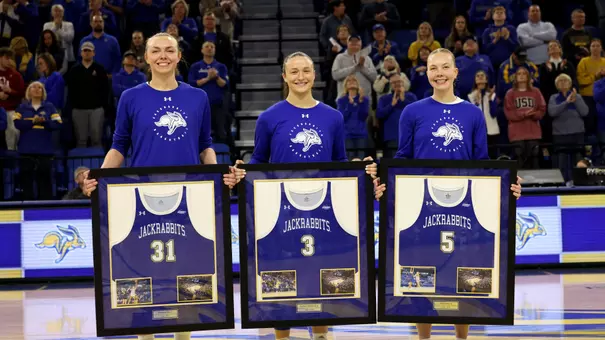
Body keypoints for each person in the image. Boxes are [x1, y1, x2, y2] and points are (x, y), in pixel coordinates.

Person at [81, 32, 243, 340]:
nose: (163, 55)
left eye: (170, 50)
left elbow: (205, 145)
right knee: (146, 279)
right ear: (146, 57)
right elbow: (119, 145)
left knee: (184, 277)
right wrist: (99, 180)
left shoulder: (198, 97)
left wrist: (221, 179)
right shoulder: (131, 97)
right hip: (141, 199)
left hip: (187, 199)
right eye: (156, 51)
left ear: (180, 56)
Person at [374, 48, 522, 340]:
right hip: (423, 206)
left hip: (463, 206)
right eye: (433, 68)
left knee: (462, 270)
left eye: (445, 67)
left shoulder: (471, 113)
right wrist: (386, 183)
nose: (439, 73)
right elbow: (403, 157)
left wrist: (507, 186)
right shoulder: (413, 111)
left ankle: (462, 336)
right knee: (422, 271)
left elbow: (481, 163)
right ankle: (423, 336)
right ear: (426, 73)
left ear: (456, 73)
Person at [246, 51, 378, 340]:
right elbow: (258, 163)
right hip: (282, 217)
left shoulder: (332, 117)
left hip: (323, 215)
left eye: (305, 70)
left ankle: (321, 335)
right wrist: (242, 175)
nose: (300, 77)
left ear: (314, 75)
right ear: (284, 77)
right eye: (294, 72)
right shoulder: (269, 118)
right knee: (282, 285)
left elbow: (339, 165)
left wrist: (359, 173)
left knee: (321, 283)